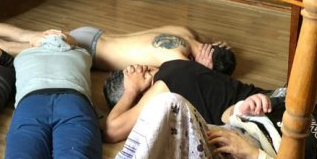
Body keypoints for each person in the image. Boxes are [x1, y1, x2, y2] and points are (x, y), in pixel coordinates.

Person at [0, 33, 102, 159]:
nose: (52, 34)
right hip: (71, 102)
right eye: (45, 33)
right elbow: (0, 48)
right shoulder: (81, 54)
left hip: (35, 104)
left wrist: (31, 42)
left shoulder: (24, 56)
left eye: (59, 33)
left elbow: (4, 50)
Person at [0, 16, 237, 75]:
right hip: (82, 51)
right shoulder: (178, 58)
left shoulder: (185, 32)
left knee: (23, 35)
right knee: (9, 49)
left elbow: (204, 45)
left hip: (90, 34)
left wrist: (209, 47)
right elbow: (186, 84)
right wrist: (205, 71)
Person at [102, 60, 265, 143]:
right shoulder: (171, 66)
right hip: (265, 101)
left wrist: (131, 91)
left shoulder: (161, 87)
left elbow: (111, 132)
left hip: (262, 122)